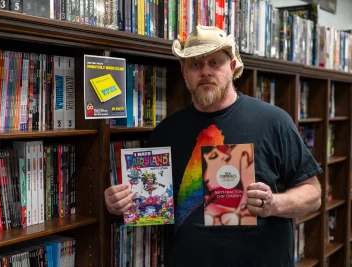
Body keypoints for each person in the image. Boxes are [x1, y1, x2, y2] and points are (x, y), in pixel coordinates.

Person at [104, 25, 322, 267]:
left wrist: (274, 204)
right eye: (195, 64)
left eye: (215, 62)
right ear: (184, 72)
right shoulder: (166, 131)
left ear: (232, 66)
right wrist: (120, 203)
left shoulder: (274, 121)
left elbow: (313, 194)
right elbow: (150, 200)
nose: (205, 71)